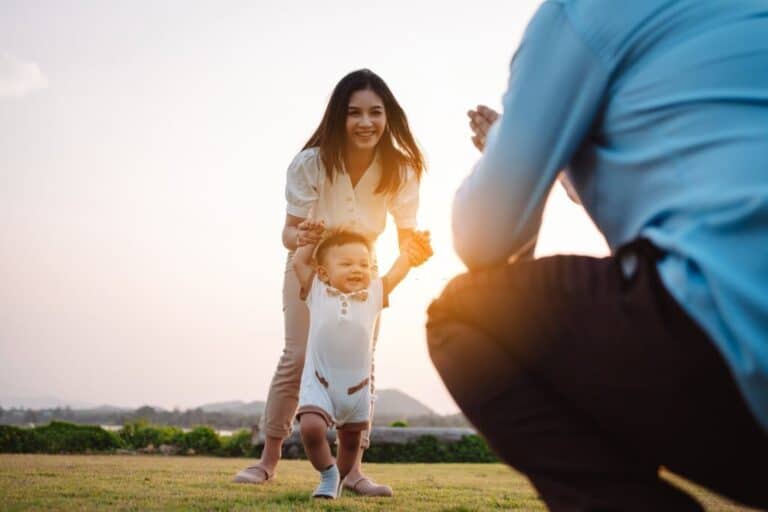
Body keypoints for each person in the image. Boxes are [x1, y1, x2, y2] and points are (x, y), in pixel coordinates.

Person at [426, 1, 768, 511]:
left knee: (463, 314)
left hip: (737, 341)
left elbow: (485, 237)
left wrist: (507, 141)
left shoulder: (582, 14)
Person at [234, 69, 427, 497]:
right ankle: (268, 460)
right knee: (298, 355)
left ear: (388, 117)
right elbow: (287, 232)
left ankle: (352, 471)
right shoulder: (310, 164)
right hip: (309, 266)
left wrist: (417, 247)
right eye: (354, 113)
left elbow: (407, 233)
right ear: (339, 116)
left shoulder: (402, 169)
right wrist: (302, 238)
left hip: (363, 272)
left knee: (363, 363)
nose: (365, 122)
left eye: (375, 113)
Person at [291, 227, 431, 498]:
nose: (357, 269)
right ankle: (328, 474)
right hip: (319, 383)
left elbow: (399, 270)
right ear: (322, 273)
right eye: (346, 263)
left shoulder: (374, 295)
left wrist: (411, 251)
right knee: (310, 428)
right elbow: (299, 262)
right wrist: (308, 242)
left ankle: (339, 481)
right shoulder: (317, 292)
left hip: (357, 389)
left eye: (364, 264)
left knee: (351, 444)